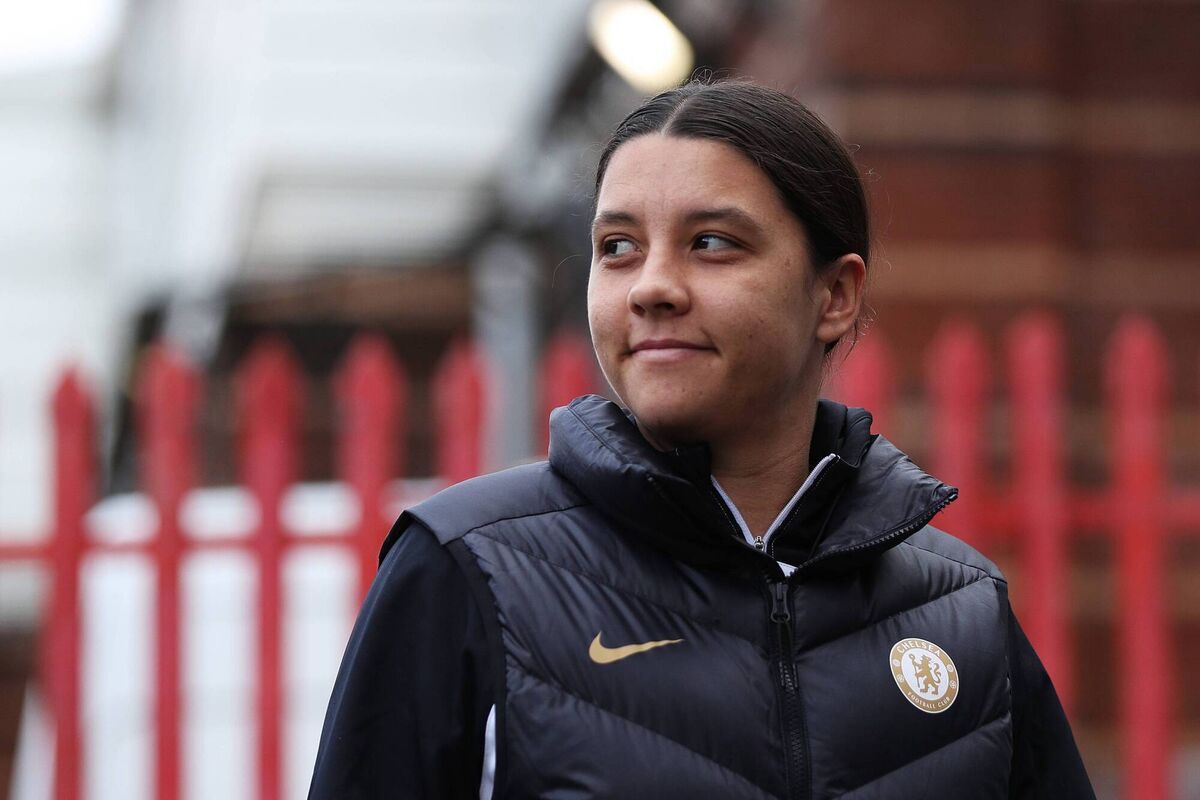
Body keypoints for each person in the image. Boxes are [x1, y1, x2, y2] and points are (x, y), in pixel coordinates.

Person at [309, 80, 1095, 799]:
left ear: (835, 295)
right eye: (617, 247)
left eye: (713, 242)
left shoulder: (960, 612)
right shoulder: (468, 568)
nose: (651, 286)